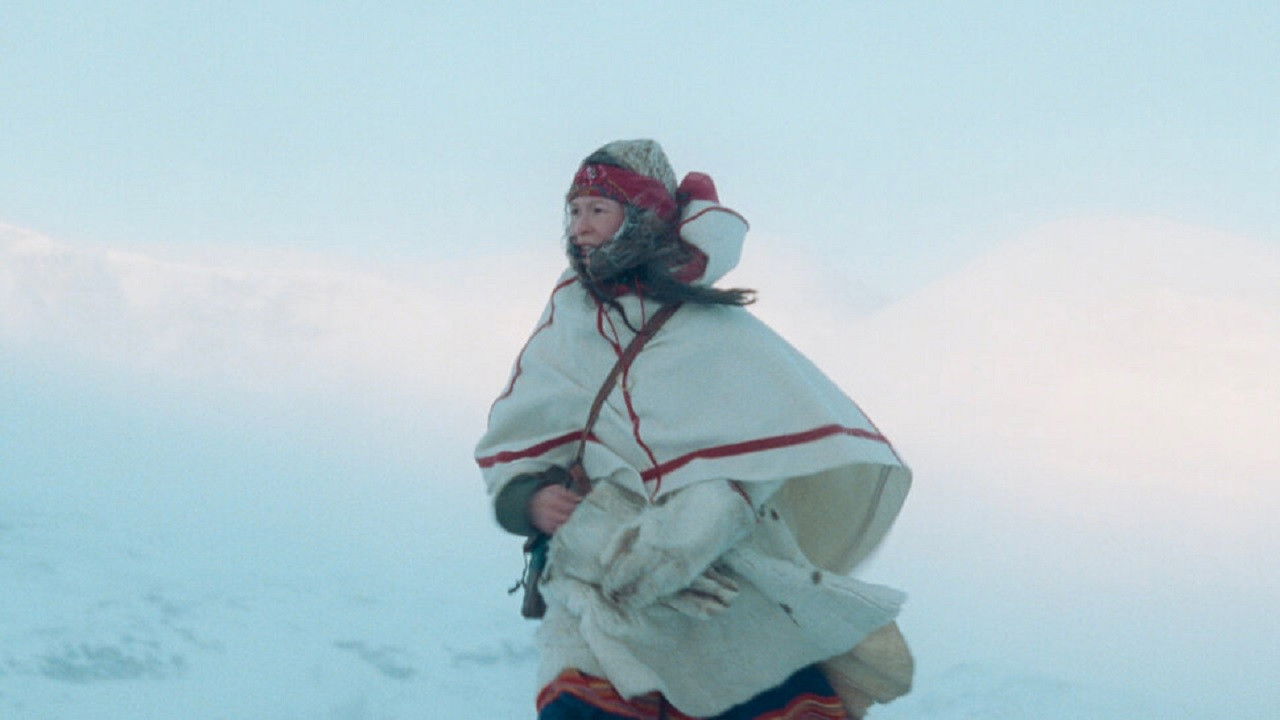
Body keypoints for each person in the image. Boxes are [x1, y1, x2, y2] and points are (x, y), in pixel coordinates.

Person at [475, 139, 912, 719]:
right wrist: (527, 501)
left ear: (641, 219)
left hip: (713, 573)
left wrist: (693, 532)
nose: (580, 227)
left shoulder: (710, 325)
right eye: (574, 210)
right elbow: (522, 428)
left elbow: (756, 454)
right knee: (584, 703)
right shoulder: (570, 316)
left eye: (598, 210)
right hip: (594, 573)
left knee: (747, 685)